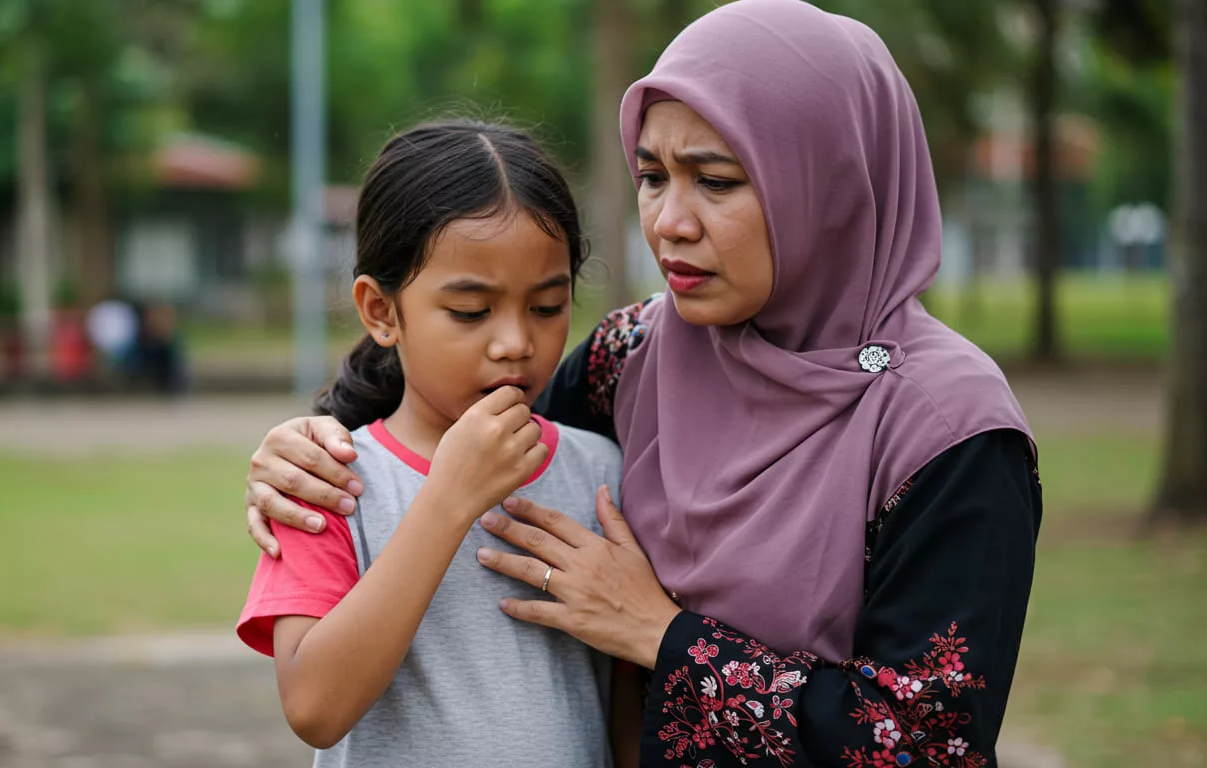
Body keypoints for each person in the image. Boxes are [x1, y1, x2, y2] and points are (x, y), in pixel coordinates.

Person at [243, 2, 1041, 766]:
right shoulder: (642, 353)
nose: (668, 221)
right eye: (652, 176)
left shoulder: (946, 428)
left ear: (831, 186)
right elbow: (453, 437)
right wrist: (306, 449)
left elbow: (924, 745)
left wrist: (664, 637)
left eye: (716, 181)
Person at [235, 120, 638, 767]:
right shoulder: (325, 483)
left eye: (546, 306)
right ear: (380, 311)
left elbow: (627, 707)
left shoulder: (603, 472)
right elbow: (315, 707)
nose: (515, 342)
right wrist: (449, 498)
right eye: (471, 312)